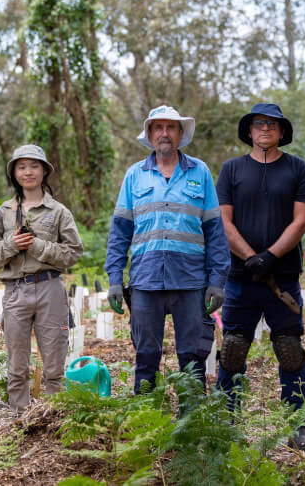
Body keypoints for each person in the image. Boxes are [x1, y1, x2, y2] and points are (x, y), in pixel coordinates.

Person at [105, 105, 230, 395]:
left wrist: (217, 281)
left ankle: (191, 426)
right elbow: (120, 232)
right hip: (145, 281)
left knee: (193, 358)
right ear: (149, 135)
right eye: (158, 127)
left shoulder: (199, 172)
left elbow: (215, 230)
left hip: (190, 281)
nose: (164, 133)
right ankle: (146, 422)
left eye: (170, 127)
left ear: (180, 133)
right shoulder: (135, 175)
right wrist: (114, 279)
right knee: (146, 355)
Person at [214, 103, 305, 450]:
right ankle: (227, 422)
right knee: (233, 349)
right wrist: (250, 257)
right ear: (250, 130)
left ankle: (298, 425)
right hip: (241, 278)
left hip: (282, 278)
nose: (265, 129)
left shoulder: (298, 169)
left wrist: (271, 256)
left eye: (272, 124)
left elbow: (301, 220)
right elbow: (223, 222)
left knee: (290, 350)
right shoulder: (231, 170)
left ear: (282, 132)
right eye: (259, 124)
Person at [0, 144, 83, 415]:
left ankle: (53, 419)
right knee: (16, 365)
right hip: (16, 291)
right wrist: (12, 244)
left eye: (34, 166)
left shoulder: (58, 211)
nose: (28, 172)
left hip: (50, 289)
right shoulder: (4, 212)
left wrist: (38, 246)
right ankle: (19, 419)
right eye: (22, 166)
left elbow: (73, 253)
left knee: (54, 363)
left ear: (44, 171)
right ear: (14, 173)